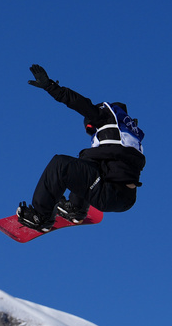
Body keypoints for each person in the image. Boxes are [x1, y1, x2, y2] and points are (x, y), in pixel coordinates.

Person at [16, 64, 145, 232]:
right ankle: (76, 209)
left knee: (60, 164)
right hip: (126, 198)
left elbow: (78, 103)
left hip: (109, 193)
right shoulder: (128, 133)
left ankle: (41, 217)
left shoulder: (105, 116)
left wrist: (50, 86)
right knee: (85, 162)